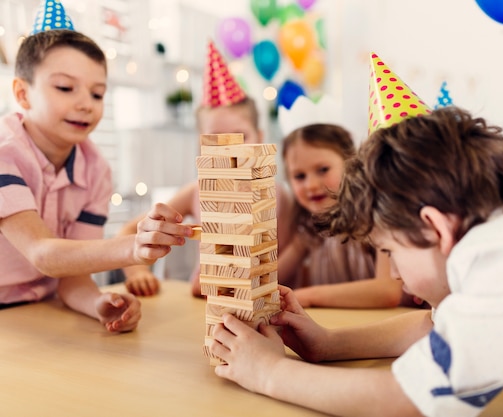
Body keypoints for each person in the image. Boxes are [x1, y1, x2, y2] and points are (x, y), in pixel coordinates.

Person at [207, 55, 503, 416]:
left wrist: (267, 372)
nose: (395, 276)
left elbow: (408, 400)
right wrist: (327, 345)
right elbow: (434, 327)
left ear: (435, 227)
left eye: (389, 249)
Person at [0, 24, 191, 331]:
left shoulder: (96, 169)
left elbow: (71, 273)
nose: (86, 103)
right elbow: (43, 253)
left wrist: (98, 303)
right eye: (65, 87)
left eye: (97, 93)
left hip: (42, 314)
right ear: (23, 94)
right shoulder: (5, 152)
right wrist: (132, 248)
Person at [118, 41, 264, 297]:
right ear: (201, 144)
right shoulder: (195, 192)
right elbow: (128, 230)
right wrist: (138, 271)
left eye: (240, 136)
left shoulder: (276, 196)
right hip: (203, 308)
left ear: (260, 138)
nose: (229, 147)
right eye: (216, 138)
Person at [278, 122, 418, 308]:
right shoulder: (309, 229)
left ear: (351, 163)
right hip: (337, 328)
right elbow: (273, 275)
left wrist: (308, 296)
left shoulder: (376, 217)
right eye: (299, 176)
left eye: (323, 170)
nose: (311, 185)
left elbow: (388, 291)